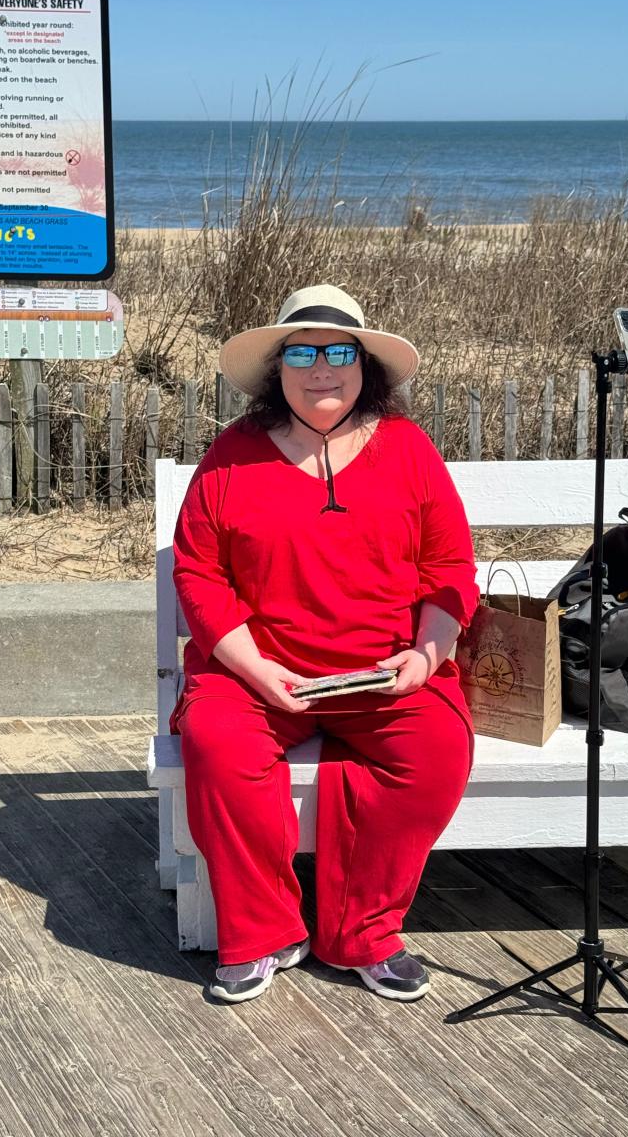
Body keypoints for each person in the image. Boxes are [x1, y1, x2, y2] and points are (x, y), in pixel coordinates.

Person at [171, 283, 479, 1004]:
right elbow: (199, 573)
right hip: (257, 673)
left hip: (382, 671)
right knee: (217, 743)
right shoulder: (232, 455)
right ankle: (264, 932)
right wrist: (255, 666)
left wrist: (425, 655)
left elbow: (450, 567)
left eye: (338, 351)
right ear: (277, 370)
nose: (321, 368)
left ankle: (363, 932)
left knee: (435, 749)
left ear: (363, 365)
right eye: (301, 352)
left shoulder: (407, 448)